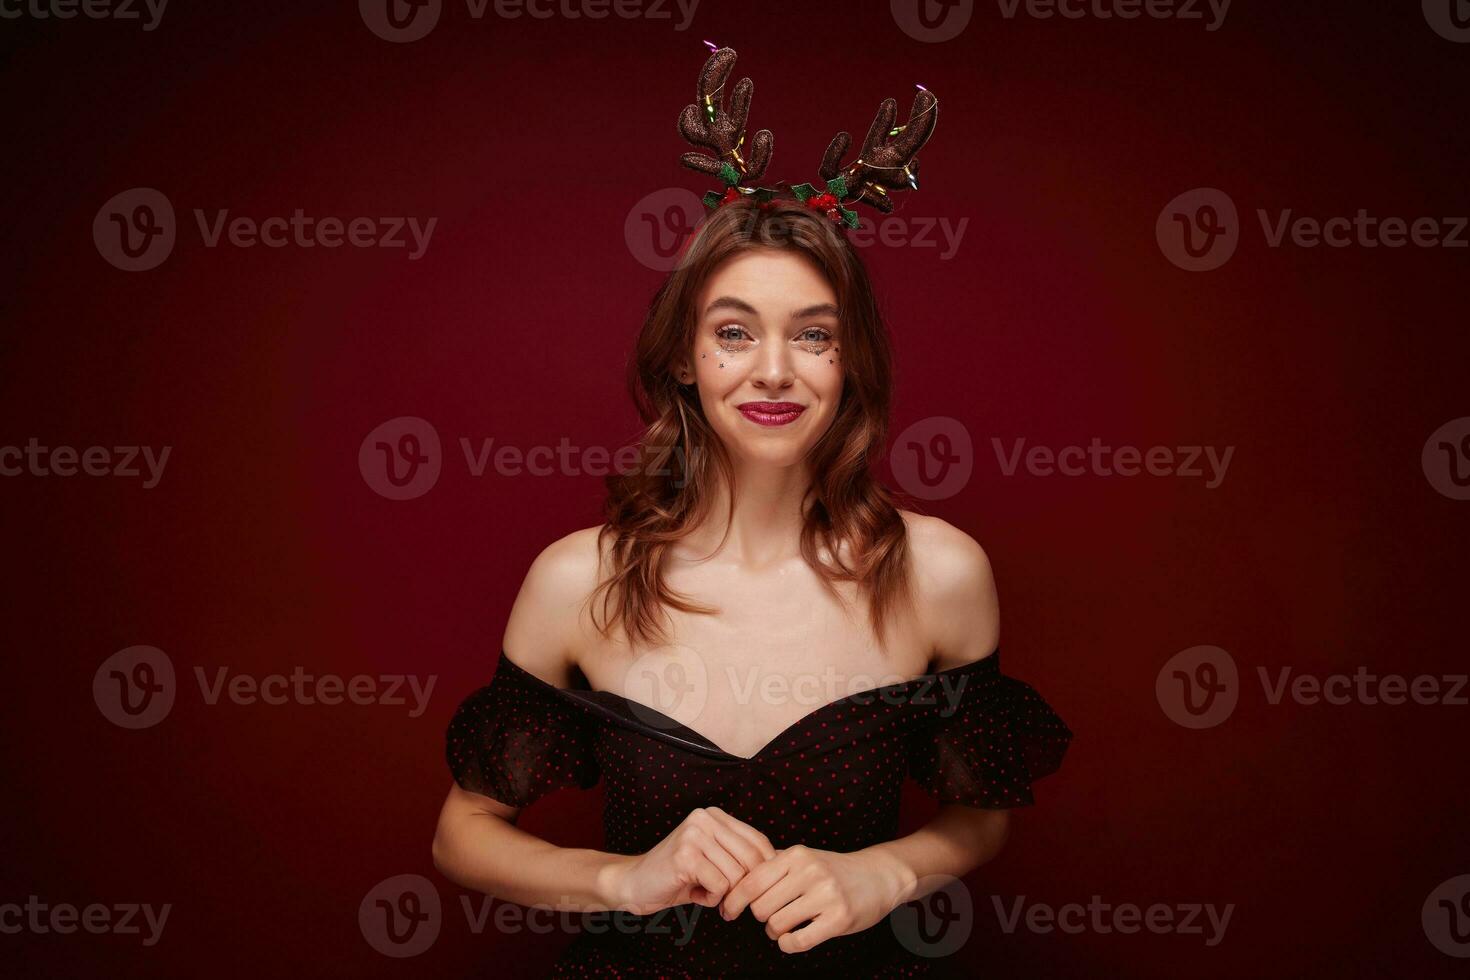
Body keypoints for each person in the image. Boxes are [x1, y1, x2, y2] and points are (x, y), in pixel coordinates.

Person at [432, 47, 1072, 976]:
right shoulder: (583, 579)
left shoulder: (941, 574)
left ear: (849, 362)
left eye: (813, 335)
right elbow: (462, 834)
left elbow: (980, 814)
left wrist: (887, 874)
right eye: (734, 332)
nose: (773, 370)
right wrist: (621, 882)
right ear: (686, 358)